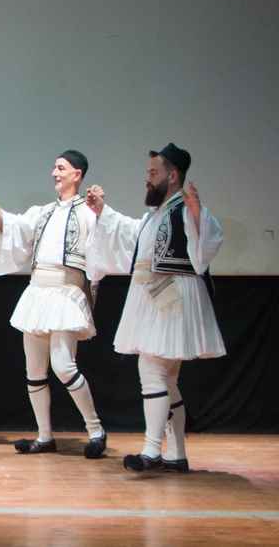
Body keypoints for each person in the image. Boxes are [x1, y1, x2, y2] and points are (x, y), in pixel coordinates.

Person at [86, 143, 224, 472]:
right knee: (167, 378)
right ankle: (176, 454)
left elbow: (204, 248)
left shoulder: (185, 209)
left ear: (172, 175)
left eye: (153, 173)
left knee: (151, 371)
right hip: (156, 297)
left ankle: (151, 450)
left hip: (172, 298)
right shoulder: (157, 214)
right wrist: (104, 211)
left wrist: (195, 214)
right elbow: (132, 236)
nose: (147, 179)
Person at [0, 150, 106, 458]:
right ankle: (45, 435)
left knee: (63, 365)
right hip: (38, 291)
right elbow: (16, 229)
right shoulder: (43, 212)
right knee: (34, 369)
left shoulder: (87, 212)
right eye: (54, 168)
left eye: (61, 168)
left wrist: (100, 211)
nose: (54, 173)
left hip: (65, 291)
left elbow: (101, 247)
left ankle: (96, 429)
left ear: (77, 174)